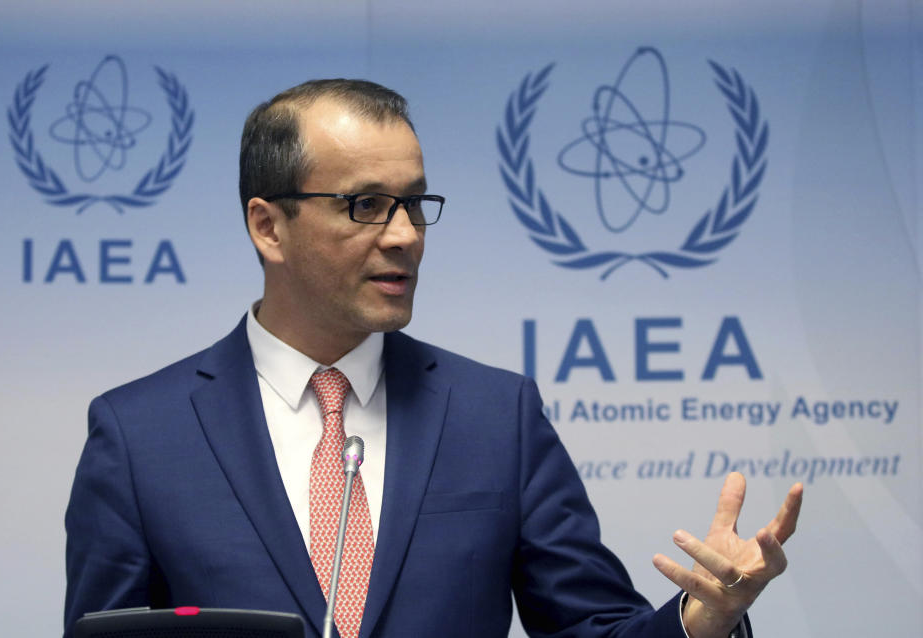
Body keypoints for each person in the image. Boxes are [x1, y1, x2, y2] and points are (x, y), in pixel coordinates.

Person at [64, 79, 803, 638]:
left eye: (415, 204)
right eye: (365, 205)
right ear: (269, 227)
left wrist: (699, 620)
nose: (405, 235)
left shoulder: (495, 416)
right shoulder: (140, 435)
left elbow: (589, 628)